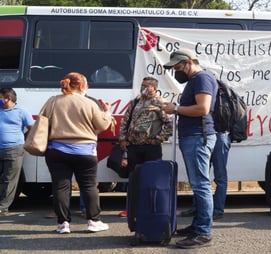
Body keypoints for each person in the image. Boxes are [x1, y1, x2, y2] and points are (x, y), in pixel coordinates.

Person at [41, 72, 113, 234]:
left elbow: (42, 121)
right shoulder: (88, 103)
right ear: (81, 86)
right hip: (84, 151)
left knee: (60, 187)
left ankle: (63, 224)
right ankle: (93, 221)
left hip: (57, 150)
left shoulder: (52, 101)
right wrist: (107, 113)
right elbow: (101, 125)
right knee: (88, 186)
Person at [163, 48, 217, 248]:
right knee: (198, 184)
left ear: (190, 62)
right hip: (193, 136)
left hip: (197, 137)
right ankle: (198, 227)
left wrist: (175, 109)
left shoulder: (202, 78)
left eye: (178, 67)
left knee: (201, 185)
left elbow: (203, 109)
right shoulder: (196, 81)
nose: (177, 71)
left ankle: (203, 233)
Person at [117, 76, 173, 217]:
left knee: (152, 179)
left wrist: (159, 139)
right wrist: (123, 139)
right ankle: (131, 209)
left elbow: (169, 125)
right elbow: (125, 121)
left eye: (146, 86)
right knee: (134, 179)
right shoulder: (136, 101)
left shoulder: (160, 103)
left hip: (151, 148)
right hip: (134, 147)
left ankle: (151, 208)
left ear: (154, 88)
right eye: (142, 85)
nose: (143, 88)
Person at [180, 132, 231, 220]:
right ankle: (200, 208)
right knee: (202, 176)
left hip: (217, 134)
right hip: (211, 135)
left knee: (218, 176)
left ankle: (217, 210)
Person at [0, 88, 34, 216]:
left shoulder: (21, 111)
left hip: (14, 149)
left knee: (9, 179)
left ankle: (3, 206)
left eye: (0, 97)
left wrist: (24, 139)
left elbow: (32, 127)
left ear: (8, 99)